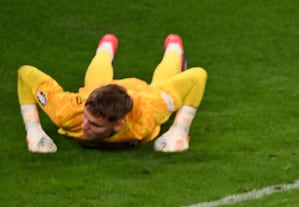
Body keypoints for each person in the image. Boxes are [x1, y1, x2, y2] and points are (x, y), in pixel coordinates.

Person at [17, 33, 207, 153]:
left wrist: (179, 130)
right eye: (87, 118)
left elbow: (197, 77)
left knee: (161, 85)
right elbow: (26, 74)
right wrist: (34, 130)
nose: (85, 126)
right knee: (95, 85)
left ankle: (174, 48)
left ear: (118, 125)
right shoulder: (67, 111)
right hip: (97, 91)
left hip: (143, 92)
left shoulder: (148, 112)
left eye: (95, 125)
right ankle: (106, 47)